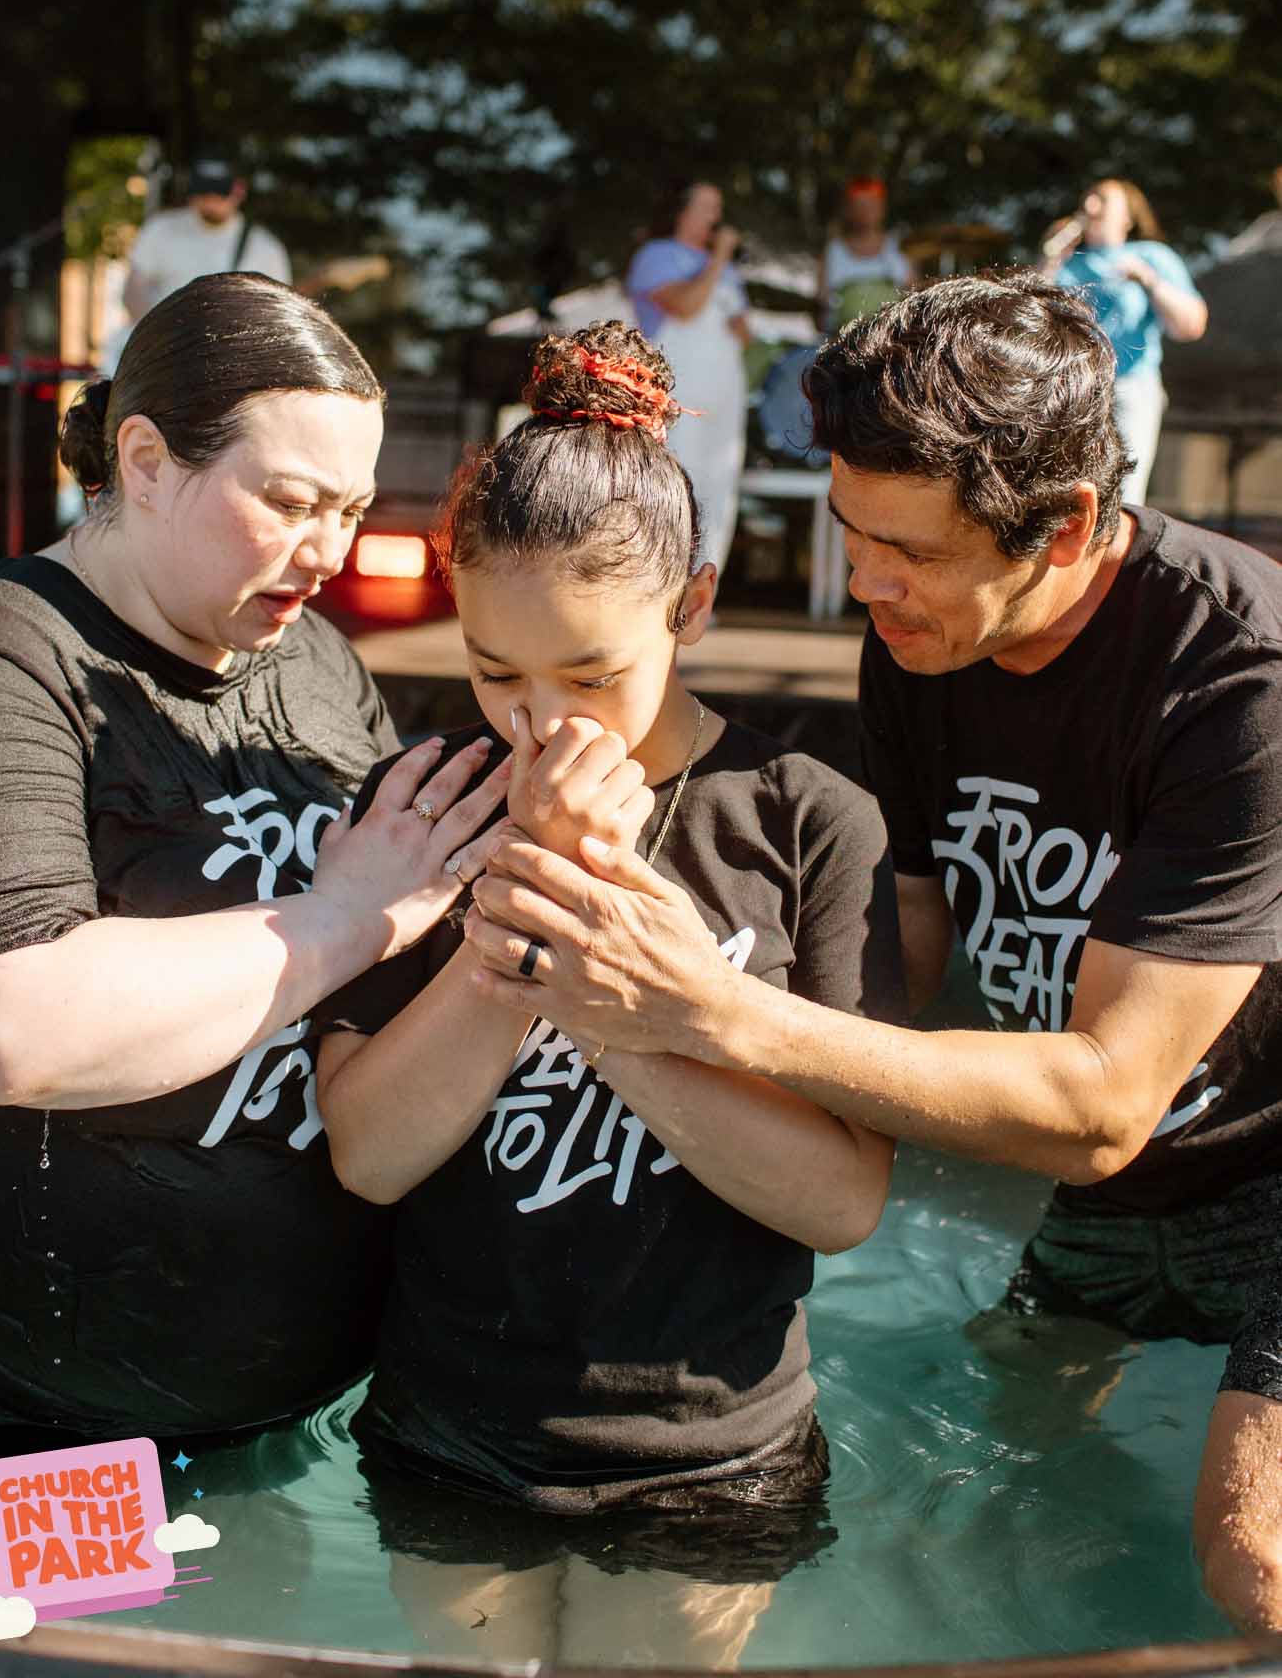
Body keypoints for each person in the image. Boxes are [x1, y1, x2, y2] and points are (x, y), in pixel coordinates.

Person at [463, 275, 1282, 1637]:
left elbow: (1102, 1106)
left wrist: (706, 1004)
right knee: (1002, 1483)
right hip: (1105, 1192)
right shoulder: (920, 634)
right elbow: (899, 941)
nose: (865, 583)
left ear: (1064, 525)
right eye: (851, 531)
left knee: (1251, 1553)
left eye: (908, 550)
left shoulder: (1241, 679)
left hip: (1248, 1164)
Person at [316, 322, 901, 1662]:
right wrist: (521, 904)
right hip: (450, 1430)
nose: (541, 722)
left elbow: (841, 1200)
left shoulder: (807, 818)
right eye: (493, 671)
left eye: (590, 674)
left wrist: (610, 968)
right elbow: (368, 1155)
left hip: (710, 1454)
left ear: (692, 605)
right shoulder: (423, 805)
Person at [0, 275, 510, 1443]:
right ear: (144, 460)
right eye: (289, 501)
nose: (328, 551)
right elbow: (0, 1024)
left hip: (302, 1420)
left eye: (350, 508)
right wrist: (340, 916)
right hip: (12, 1425)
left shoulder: (317, 661)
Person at [1043, 177, 1207, 503]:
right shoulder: (1067, 262)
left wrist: (1149, 280)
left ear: (1128, 217)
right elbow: (1032, 322)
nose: (1090, 206)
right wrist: (1050, 257)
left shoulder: (1150, 256)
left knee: (1124, 492)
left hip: (1131, 389)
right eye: (1087, 198)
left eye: (1102, 199)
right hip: (1072, 391)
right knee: (1065, 491)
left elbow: (1192, 325)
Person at [625, 182, 751, 576]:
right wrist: (719, 258)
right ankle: (662, 578)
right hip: (679, 389)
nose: (716, 217)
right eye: (707, 207)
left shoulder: (728, 271)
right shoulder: (657, 256)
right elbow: (686, 306)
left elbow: (744, 332)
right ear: (681, 211)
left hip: (723, 389)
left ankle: (704, 581)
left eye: (718, 208)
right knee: (676, 479)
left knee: (718, 486)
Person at [122, 157, 292, 324]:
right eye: (204, 192)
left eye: (219, 193)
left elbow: (280, 311)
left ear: (239, 191)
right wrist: (156, 333)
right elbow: (133, 290)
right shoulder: (160, 229)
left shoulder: (266, 248)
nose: (211, 201)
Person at [817, 177, 913, 333]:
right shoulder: (833, 251)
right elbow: (821, 308)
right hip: (841, 338)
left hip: (892, 338)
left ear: (882, 208)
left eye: (871, 205)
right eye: (859, 206)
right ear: (848, 209)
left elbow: (912, 298)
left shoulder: (899, 249)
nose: (865, 212)